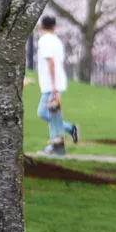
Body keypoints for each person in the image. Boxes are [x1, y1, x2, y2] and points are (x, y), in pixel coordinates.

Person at [35, 15, 78, 156]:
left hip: (51, 84)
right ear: (54, 27)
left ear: (41, 27)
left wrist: (53, 85)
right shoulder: (56, 41)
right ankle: (57, 147)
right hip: (56, 83)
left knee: (44, 113)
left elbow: (51, 62)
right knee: (54, 114)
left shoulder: (44, 40)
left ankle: (68, 130)